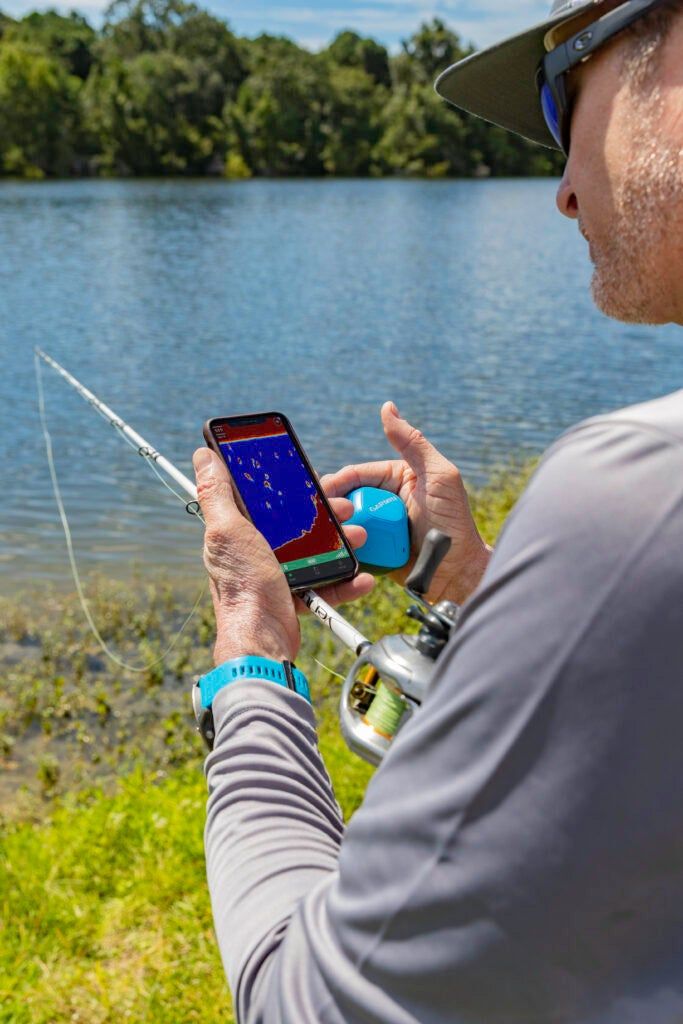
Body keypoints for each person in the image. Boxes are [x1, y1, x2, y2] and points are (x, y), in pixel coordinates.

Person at [192, 1, 683, 1020]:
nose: (557, 191)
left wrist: (250, 659)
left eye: (558, 101)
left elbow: (307, 1001)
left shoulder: (635, 489)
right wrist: (476, 585)